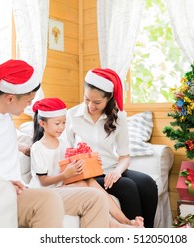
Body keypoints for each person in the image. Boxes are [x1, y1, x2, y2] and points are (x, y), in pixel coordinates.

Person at [0, 59, 110, 228]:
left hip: (19, 192)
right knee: (48, 200)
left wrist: (23, 149)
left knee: (95, 198)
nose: (29, 106)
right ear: (10, 98)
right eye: (28, 101)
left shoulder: (3, 115)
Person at [63, 68, 158, 228]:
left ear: (109, 99)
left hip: (112, 169)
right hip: (89, 175)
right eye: (87, 99)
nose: (90, 106)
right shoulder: (72, 115)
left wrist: (117, 172)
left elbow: (124, 156)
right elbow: (64, 152)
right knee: (128, 187)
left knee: (148, 184)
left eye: (97, 102)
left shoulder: (118, 116)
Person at [29, 97, 144, 228]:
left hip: (61, 186)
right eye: (57, 123)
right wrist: (65, 175)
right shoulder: (37, 148)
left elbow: (71, 161)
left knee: (89, 181)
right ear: (42, 123)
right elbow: (43, 181)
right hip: (45, 191)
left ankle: (126, 221)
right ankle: (118, 226)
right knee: (85, 187)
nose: (61, 127)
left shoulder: (63, 142)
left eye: (64, 123)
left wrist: (92, 161)